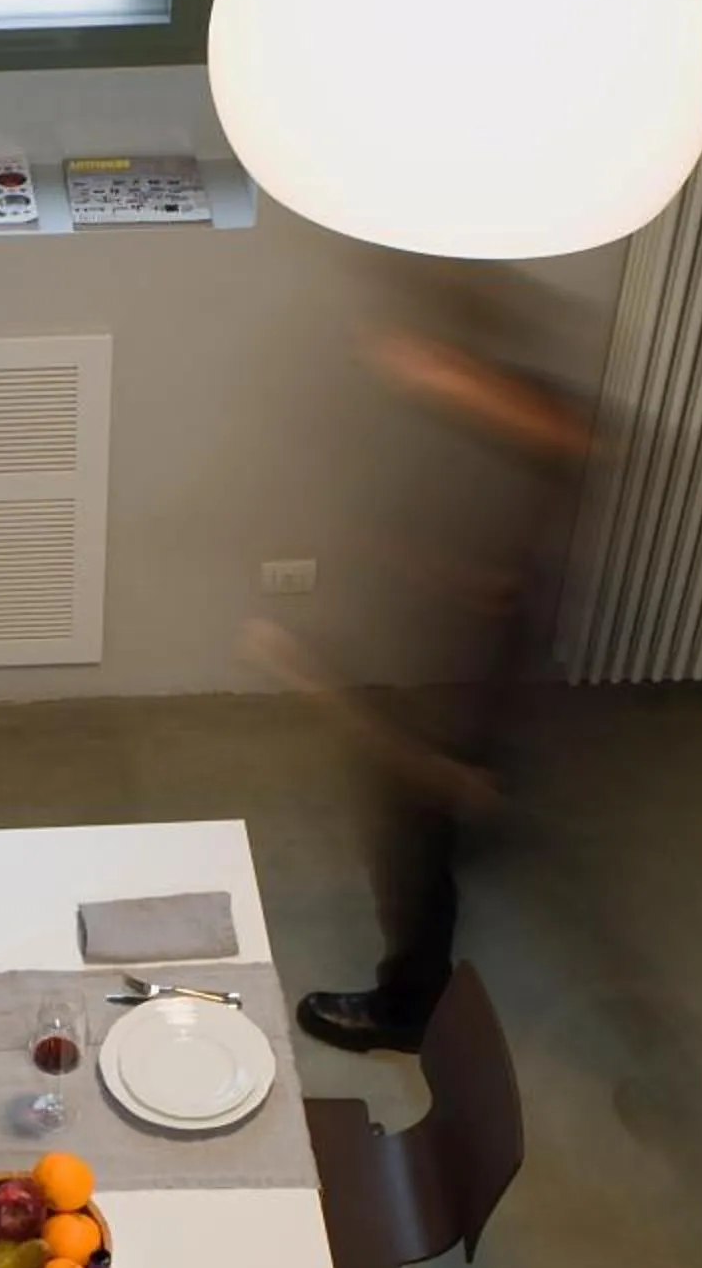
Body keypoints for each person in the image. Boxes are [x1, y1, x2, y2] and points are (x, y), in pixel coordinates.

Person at [248, 294, 595, 1054]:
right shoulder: (451, 424)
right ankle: (466, 821)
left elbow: (575, 439)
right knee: (425, 817)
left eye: (411, 344)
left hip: (460, 680)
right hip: (440, 665)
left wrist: (443, 379)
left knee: (414, 838)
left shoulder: (519, 413)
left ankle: (408, 1007)